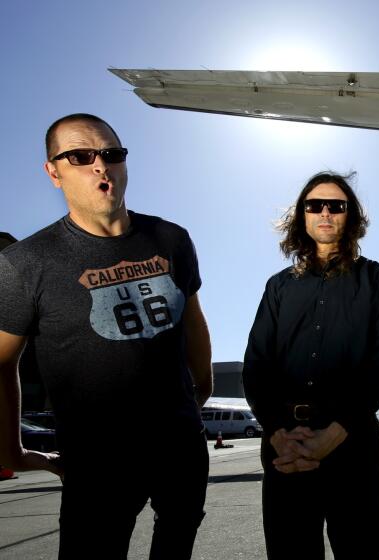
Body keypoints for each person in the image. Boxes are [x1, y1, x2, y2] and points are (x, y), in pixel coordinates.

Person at [0, 113, 213, 559]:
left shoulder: (171, 238)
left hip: (179, 449)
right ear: (53, 172)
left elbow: (192, 316)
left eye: (111, 154)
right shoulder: (25, 263)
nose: (101, 165)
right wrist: (13, 449)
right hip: (97, 466)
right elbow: (2, 363)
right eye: (81, 156)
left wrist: (203, 387)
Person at [242, 172, 379, 560]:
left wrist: (334, 432)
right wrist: (278, 433)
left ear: (351, 217)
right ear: (302, 217)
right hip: (287, 450)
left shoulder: (376, 279)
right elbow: (257, 363)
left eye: (337, 206)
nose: (325, 212)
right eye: (315, 205)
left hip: (352, 447)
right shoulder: (278, 287)